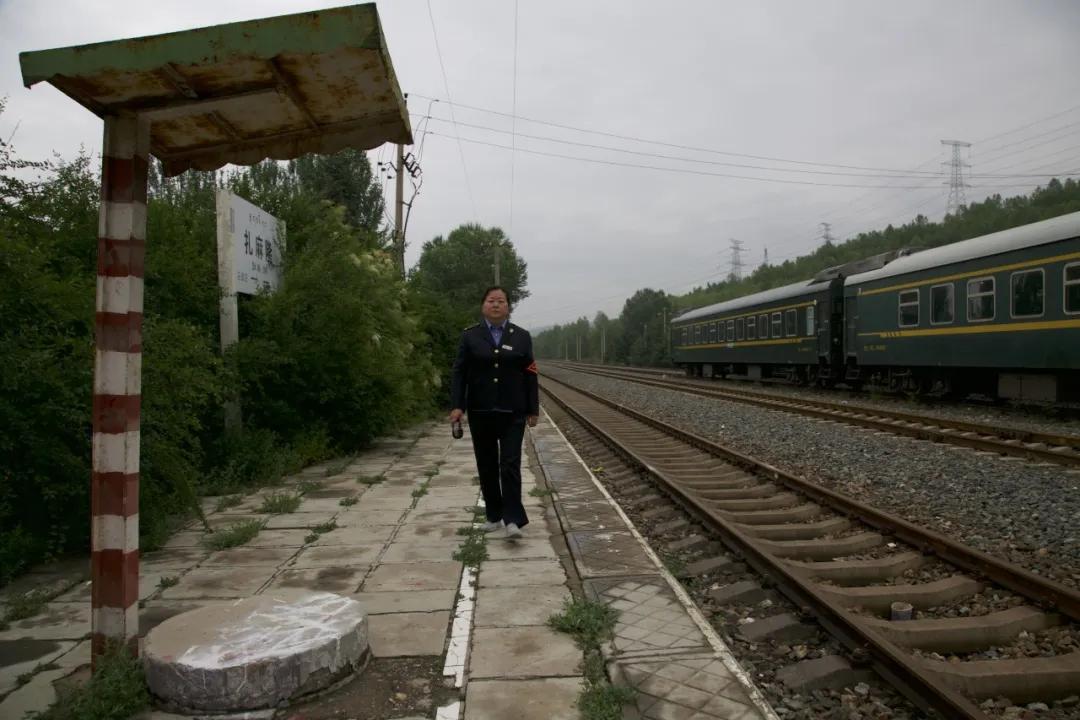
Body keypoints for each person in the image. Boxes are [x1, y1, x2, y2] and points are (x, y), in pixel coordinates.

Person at [450, 286, 539, 539]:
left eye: (501, 301)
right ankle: (493, 515)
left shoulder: (521, 336)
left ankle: (513, 519)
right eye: (491, 301)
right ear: (483, 306)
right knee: (487, 464)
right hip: (481, 410)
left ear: (508, 306)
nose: (496, 305)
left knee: (510, 463)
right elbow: (459, 373)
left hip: (513, 412)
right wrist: (457, 406)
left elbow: (530, 374)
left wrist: (533, 409)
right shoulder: (470, 336)